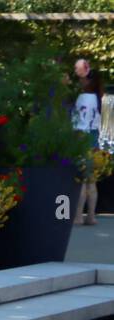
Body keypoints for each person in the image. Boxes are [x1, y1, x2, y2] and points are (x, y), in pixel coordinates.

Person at [73, 59, 103, 225]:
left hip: (83, 137)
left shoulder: (83, 98)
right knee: (91, 180)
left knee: (81, 180)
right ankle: (91, 215)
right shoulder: (98, 98)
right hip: (94, 137)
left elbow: (79, 122)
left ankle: (78, 216)